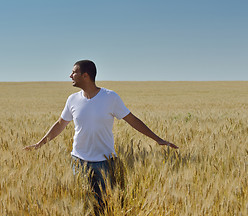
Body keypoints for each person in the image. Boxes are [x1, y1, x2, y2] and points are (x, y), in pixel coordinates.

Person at [24, 60, 178, 214]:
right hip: (78, 161)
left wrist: (157, 139)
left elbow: (132, 120)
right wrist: (39, 144)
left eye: (74, 72)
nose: (70, 75)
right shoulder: (72, 99)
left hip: (105, 163)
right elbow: (60, 124)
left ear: (85, 75)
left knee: (104, 206)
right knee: (83, 205)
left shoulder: (110, 97)